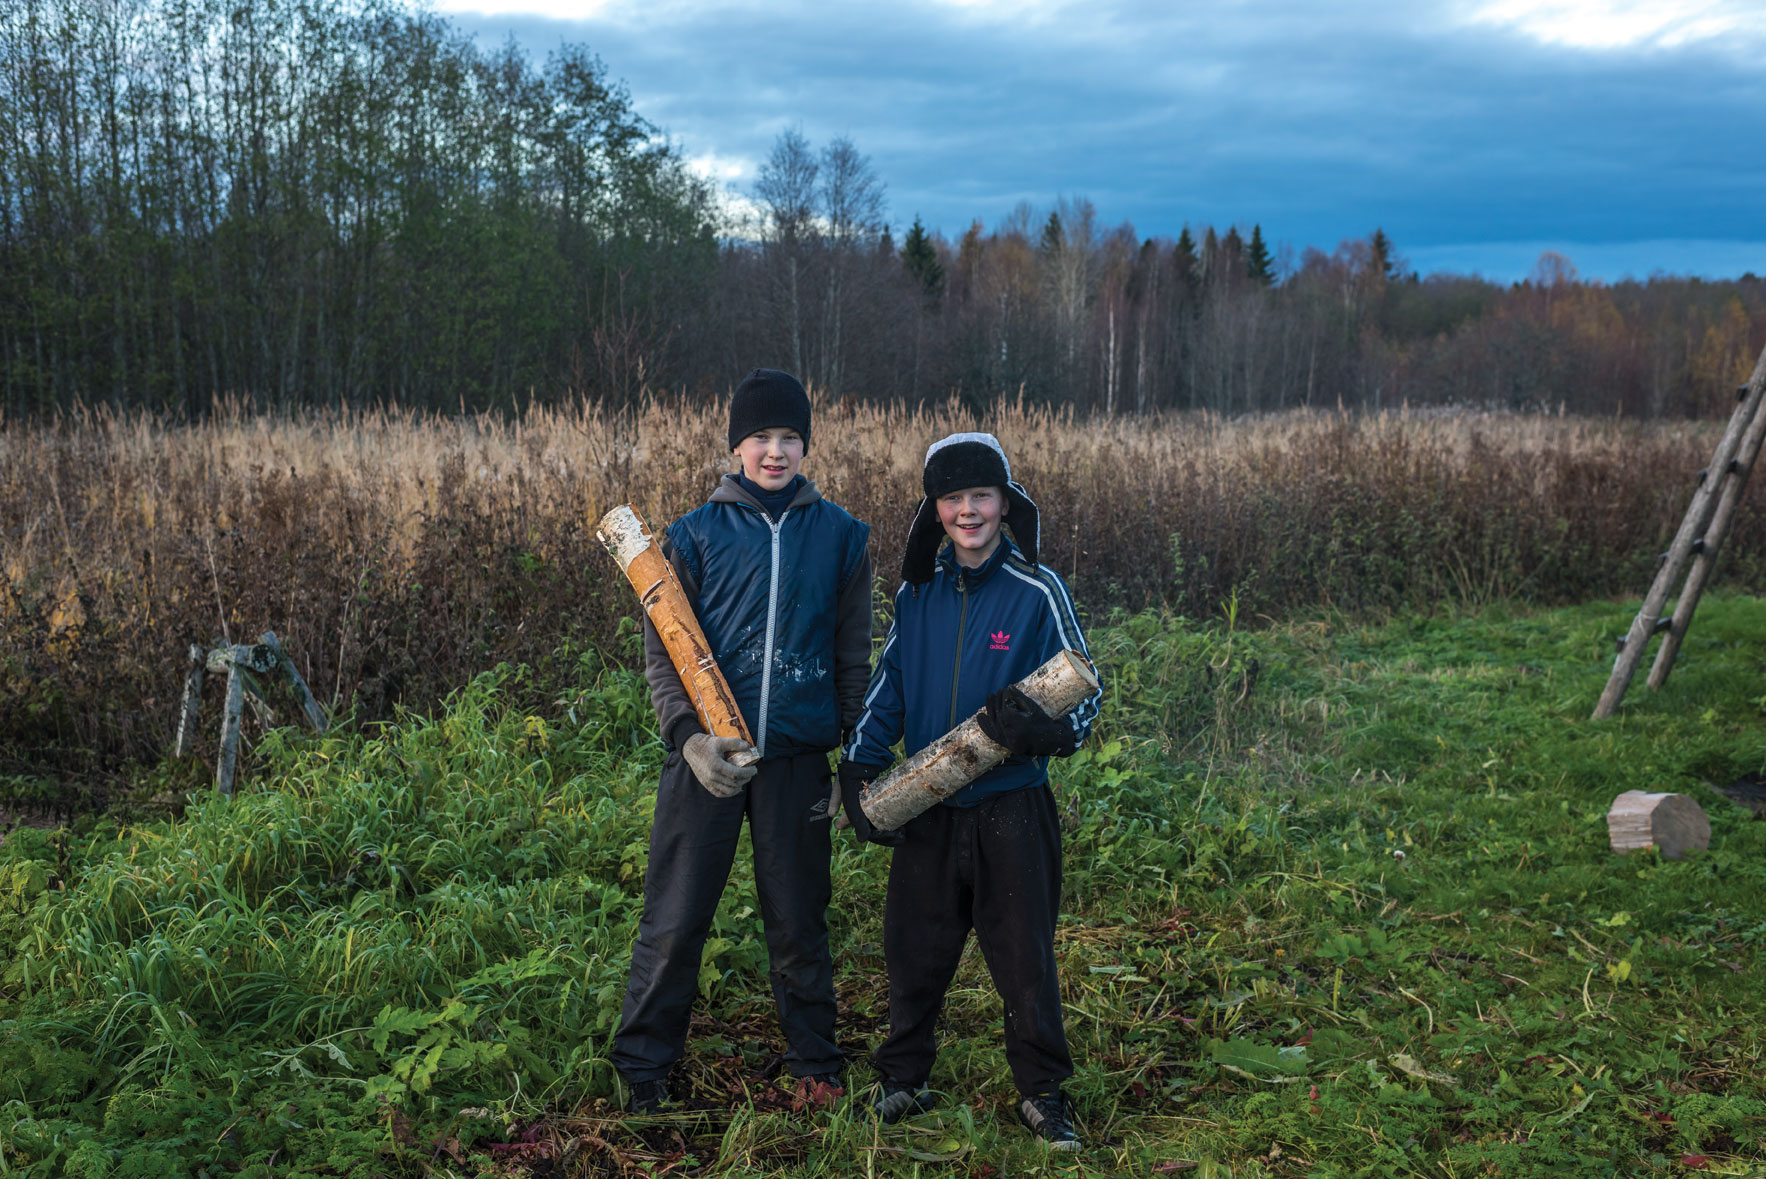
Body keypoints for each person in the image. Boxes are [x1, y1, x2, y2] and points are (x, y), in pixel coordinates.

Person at [611, 369, 872, 1113]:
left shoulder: (842, 537)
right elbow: (666, 652)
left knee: (799, 919)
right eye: (760, 436)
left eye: (790, 437)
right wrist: (688, 737)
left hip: (795, 760)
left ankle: (815, 1062)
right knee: (676, 915)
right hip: (709, 761)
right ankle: (642, 1069)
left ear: (805, 445)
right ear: (736, 445)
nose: (775, 451)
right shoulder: (693, 536)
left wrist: (850, 757)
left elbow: (854, 656)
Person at [839, 431, 1100, 1151]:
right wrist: (860, 767)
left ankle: (1042, 1093)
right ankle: (903, 1075)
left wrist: (1045, 731)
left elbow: (1086, 693)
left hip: (1011, 804)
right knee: (913, 948)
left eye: (981, 496)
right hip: (929, 800)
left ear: (1005, 503)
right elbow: (889, 684)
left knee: (1024, 957)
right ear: (936, 509)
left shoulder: (1037, 590)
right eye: (953, 498)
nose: (968, 511)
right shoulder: (917, 592)